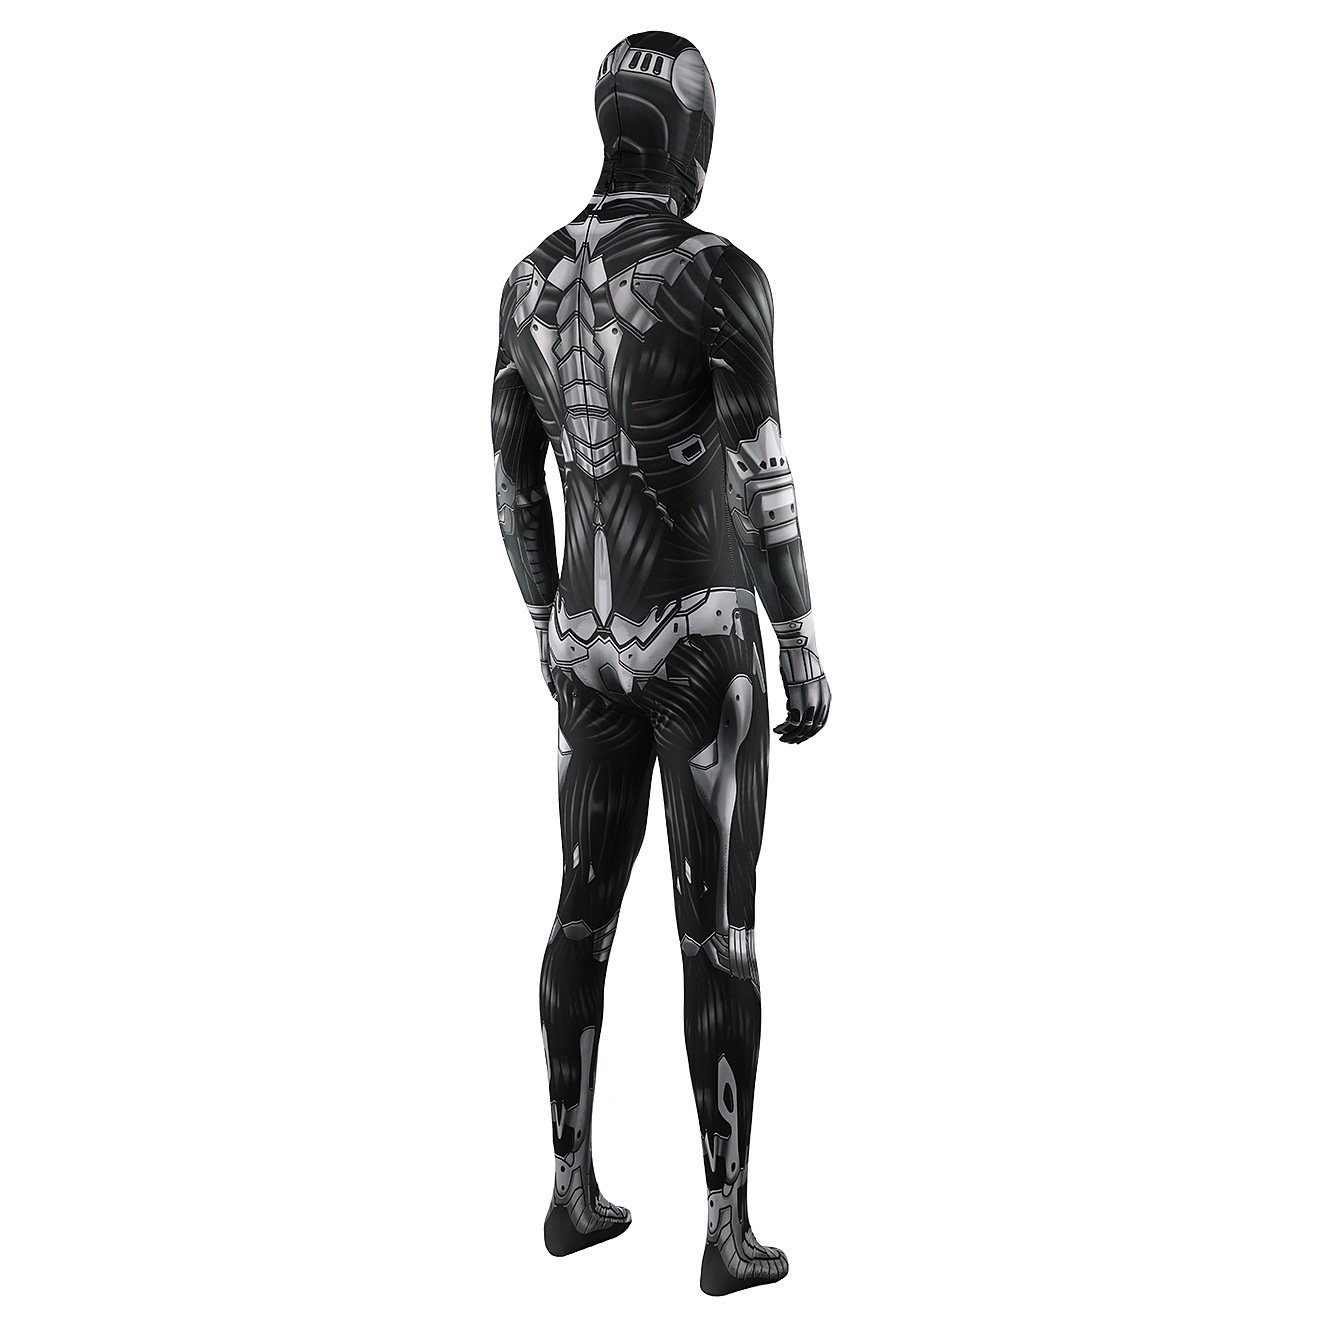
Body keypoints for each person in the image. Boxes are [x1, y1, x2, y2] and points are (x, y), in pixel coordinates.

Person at [490, 30, 831, 1295]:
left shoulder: (526, 282)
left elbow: (509, 476)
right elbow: (761, 468)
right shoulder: (718, 276)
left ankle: (568, 1185)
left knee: (580, 906)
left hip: (586, 646)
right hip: (698, 637)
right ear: (687, 137)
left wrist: (543, 618)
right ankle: (724, 1224)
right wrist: (797, 632)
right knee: (716, 931)